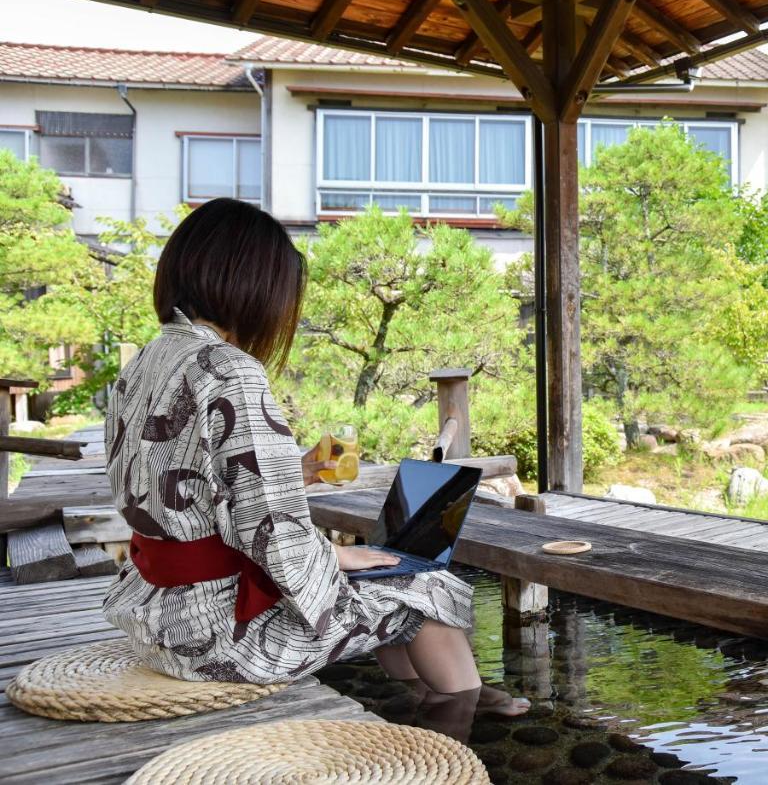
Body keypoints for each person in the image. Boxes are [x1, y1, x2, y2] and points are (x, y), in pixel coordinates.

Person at [102, 198, 527, 718]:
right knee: (429, 590)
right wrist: (336, 557)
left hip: (155, 612)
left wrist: (296, 471)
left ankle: (420, 695)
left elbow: (176, 480)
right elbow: (277, 540)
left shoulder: (148, 359)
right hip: (214, 634)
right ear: (253, 286)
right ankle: (456, 727)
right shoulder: (230, 368)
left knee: (387, 579)